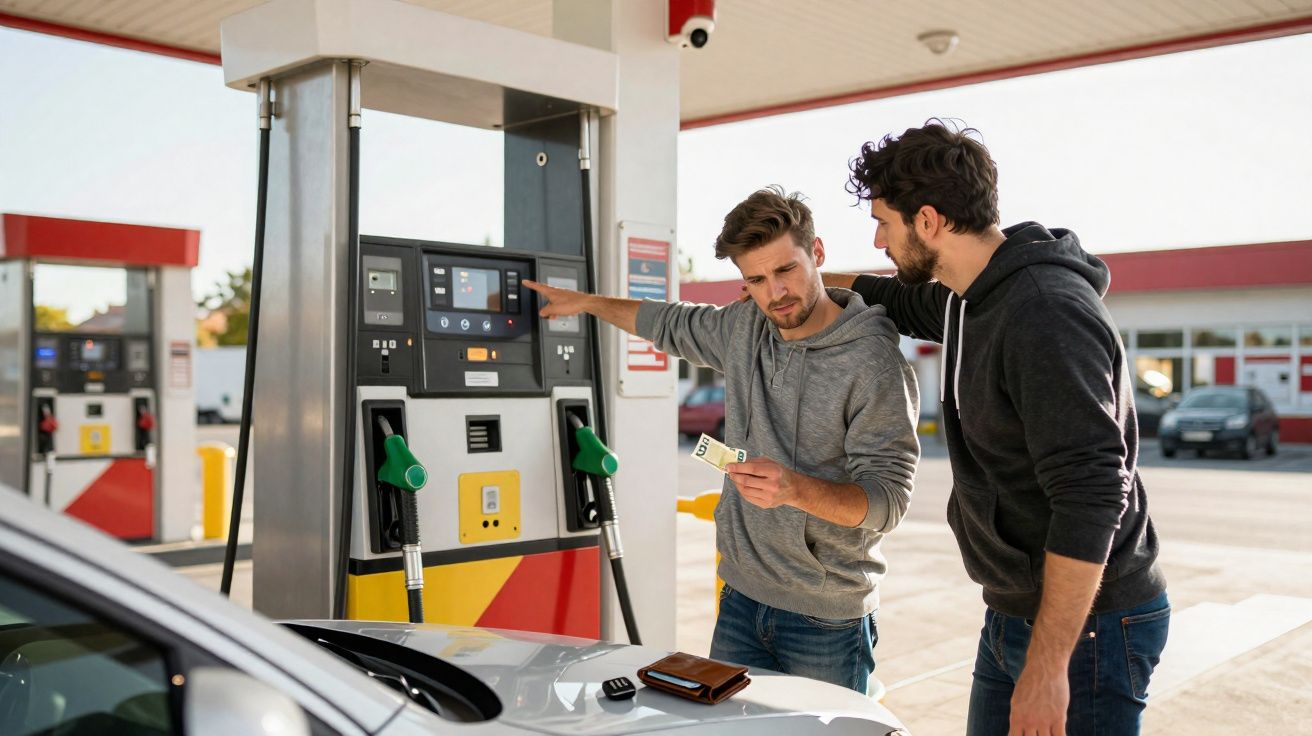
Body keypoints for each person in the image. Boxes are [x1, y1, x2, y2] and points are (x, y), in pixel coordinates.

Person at [825, 120, 1169, 735]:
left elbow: (1092, 494)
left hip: (1090, 624)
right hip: (1016, 607)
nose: (878, 240)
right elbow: (894, 298)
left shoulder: (1044, 312)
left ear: (927, 221)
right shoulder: (967, 295)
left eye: (884, 222)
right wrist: (801, 282)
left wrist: (1047, 666)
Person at [525, 186, 919, 694]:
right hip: (739, 600)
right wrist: (587, 304)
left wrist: (795, 490)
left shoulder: (874, 364)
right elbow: (666, 322)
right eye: (755, 279)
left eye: (786, 270)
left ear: (817, 254)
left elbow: (888, 502)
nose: (775, 293)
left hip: (825, 619)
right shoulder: (745, 327)